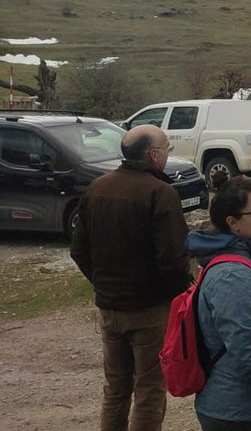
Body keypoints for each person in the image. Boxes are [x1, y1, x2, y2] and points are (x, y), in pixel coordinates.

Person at [69, 124, 191, 431]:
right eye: (166, 148)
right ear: (153, 154)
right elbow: (173, 259)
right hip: (149, 310)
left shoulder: (97, 187)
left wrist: (103, 284)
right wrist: (180, 296)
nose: (167, 154)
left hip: (109, 309)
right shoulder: (160, 192)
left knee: (116, 390)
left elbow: (78, 250)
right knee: (149, 391)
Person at [185, 178, 251, 430]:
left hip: (241, 404)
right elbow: (247, 349)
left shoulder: (242, 261)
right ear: (233, 223)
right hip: (236, 410)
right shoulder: (232, 275)